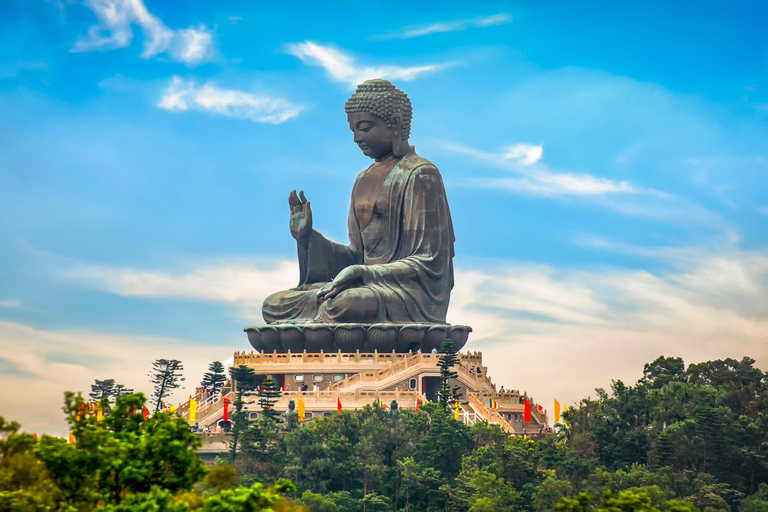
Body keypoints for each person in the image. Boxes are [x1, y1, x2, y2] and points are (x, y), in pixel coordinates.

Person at [262, 79, 455, 325]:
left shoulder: (420, 173)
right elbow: (356, 257)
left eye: (364, 128)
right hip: (365, 286)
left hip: (407, 296)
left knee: (345, 304)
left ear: (395, 122)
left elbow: (429, 263)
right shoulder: (362, 179)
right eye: (352, 129)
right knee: (275, 305)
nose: (356, 138)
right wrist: (309, 239)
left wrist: (364, 273)